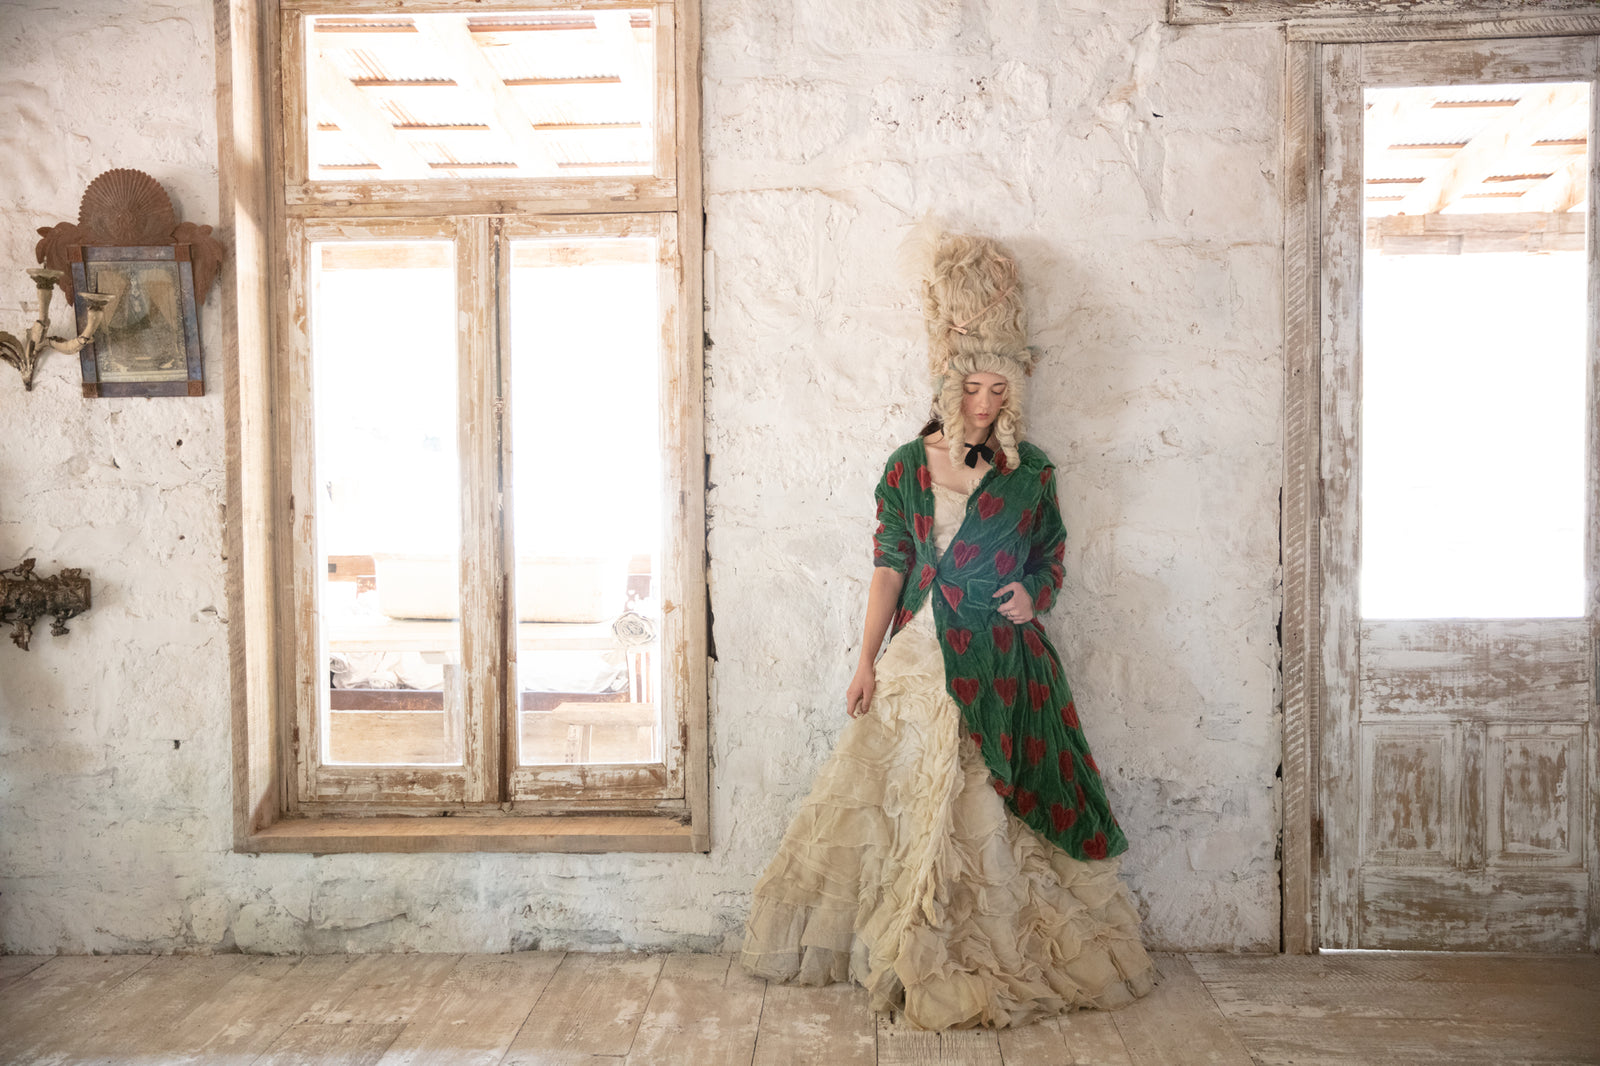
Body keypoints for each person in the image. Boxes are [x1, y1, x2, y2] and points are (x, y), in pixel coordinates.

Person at [739, 231, 1157, 1030]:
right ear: (946, 381)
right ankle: (906, 952)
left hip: (1006, 661)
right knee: (906, 802)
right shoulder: (906, 466)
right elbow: (890, 566)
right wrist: (865, 661)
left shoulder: (1031, 471)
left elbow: (1051, 558)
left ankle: (988, 951)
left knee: (993, 807)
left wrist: (1034, 595)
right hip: (923, 655)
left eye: (999, 389)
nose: (984, 403)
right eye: (972, 386)